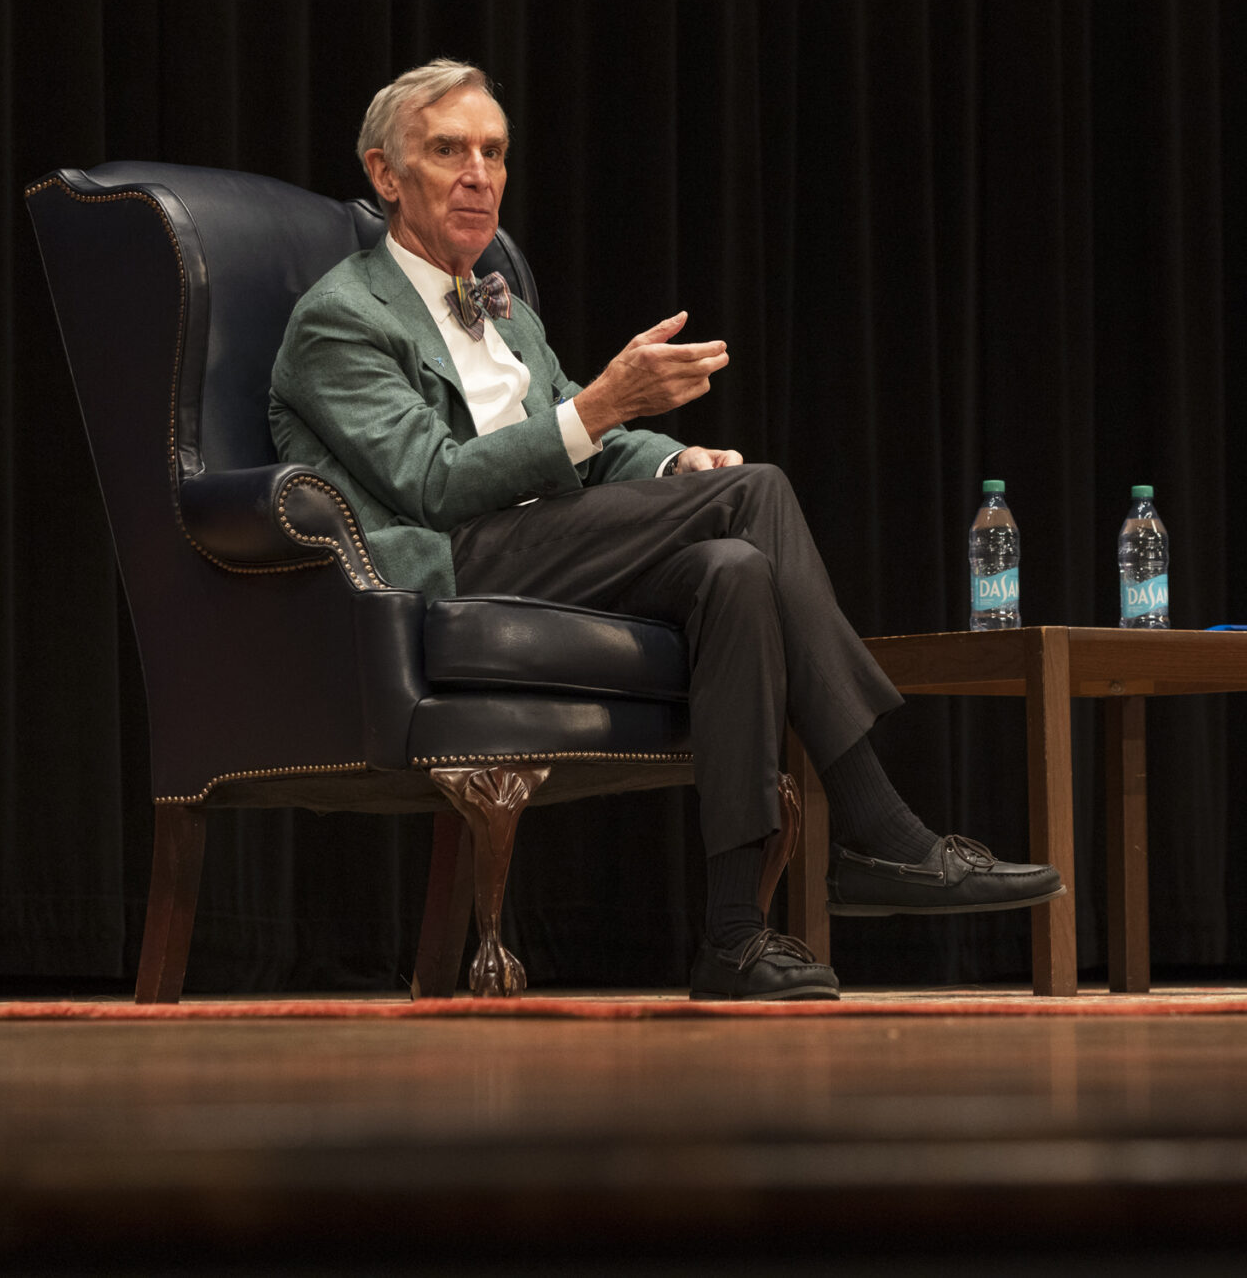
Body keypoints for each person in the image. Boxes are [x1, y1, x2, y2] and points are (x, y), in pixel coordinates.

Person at [269, 59, 1061, 1001]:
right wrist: (603, 405)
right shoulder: (339, 318)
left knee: (734, 570)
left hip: (544, 548)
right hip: (448, 564)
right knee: (756, 494)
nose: (479, 174)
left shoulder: (504, 310)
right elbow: (435, 482)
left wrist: (673, 462)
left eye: (494, 152)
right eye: (448, 150)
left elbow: (581, 439)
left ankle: (733, 936)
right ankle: (878, 826)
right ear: (386, 174)